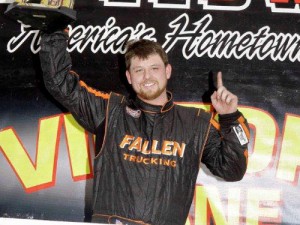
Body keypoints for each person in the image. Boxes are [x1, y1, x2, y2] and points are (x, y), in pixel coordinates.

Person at [39, 31, 250, 225]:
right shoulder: (110, 111)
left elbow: (232, 170)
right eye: (139, 70)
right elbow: (60, 84)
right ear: (129, 77)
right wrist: (54, 31)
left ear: (167, 71)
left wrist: (230, 117)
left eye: (154, 68)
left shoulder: (196, 123)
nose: (147, 77)